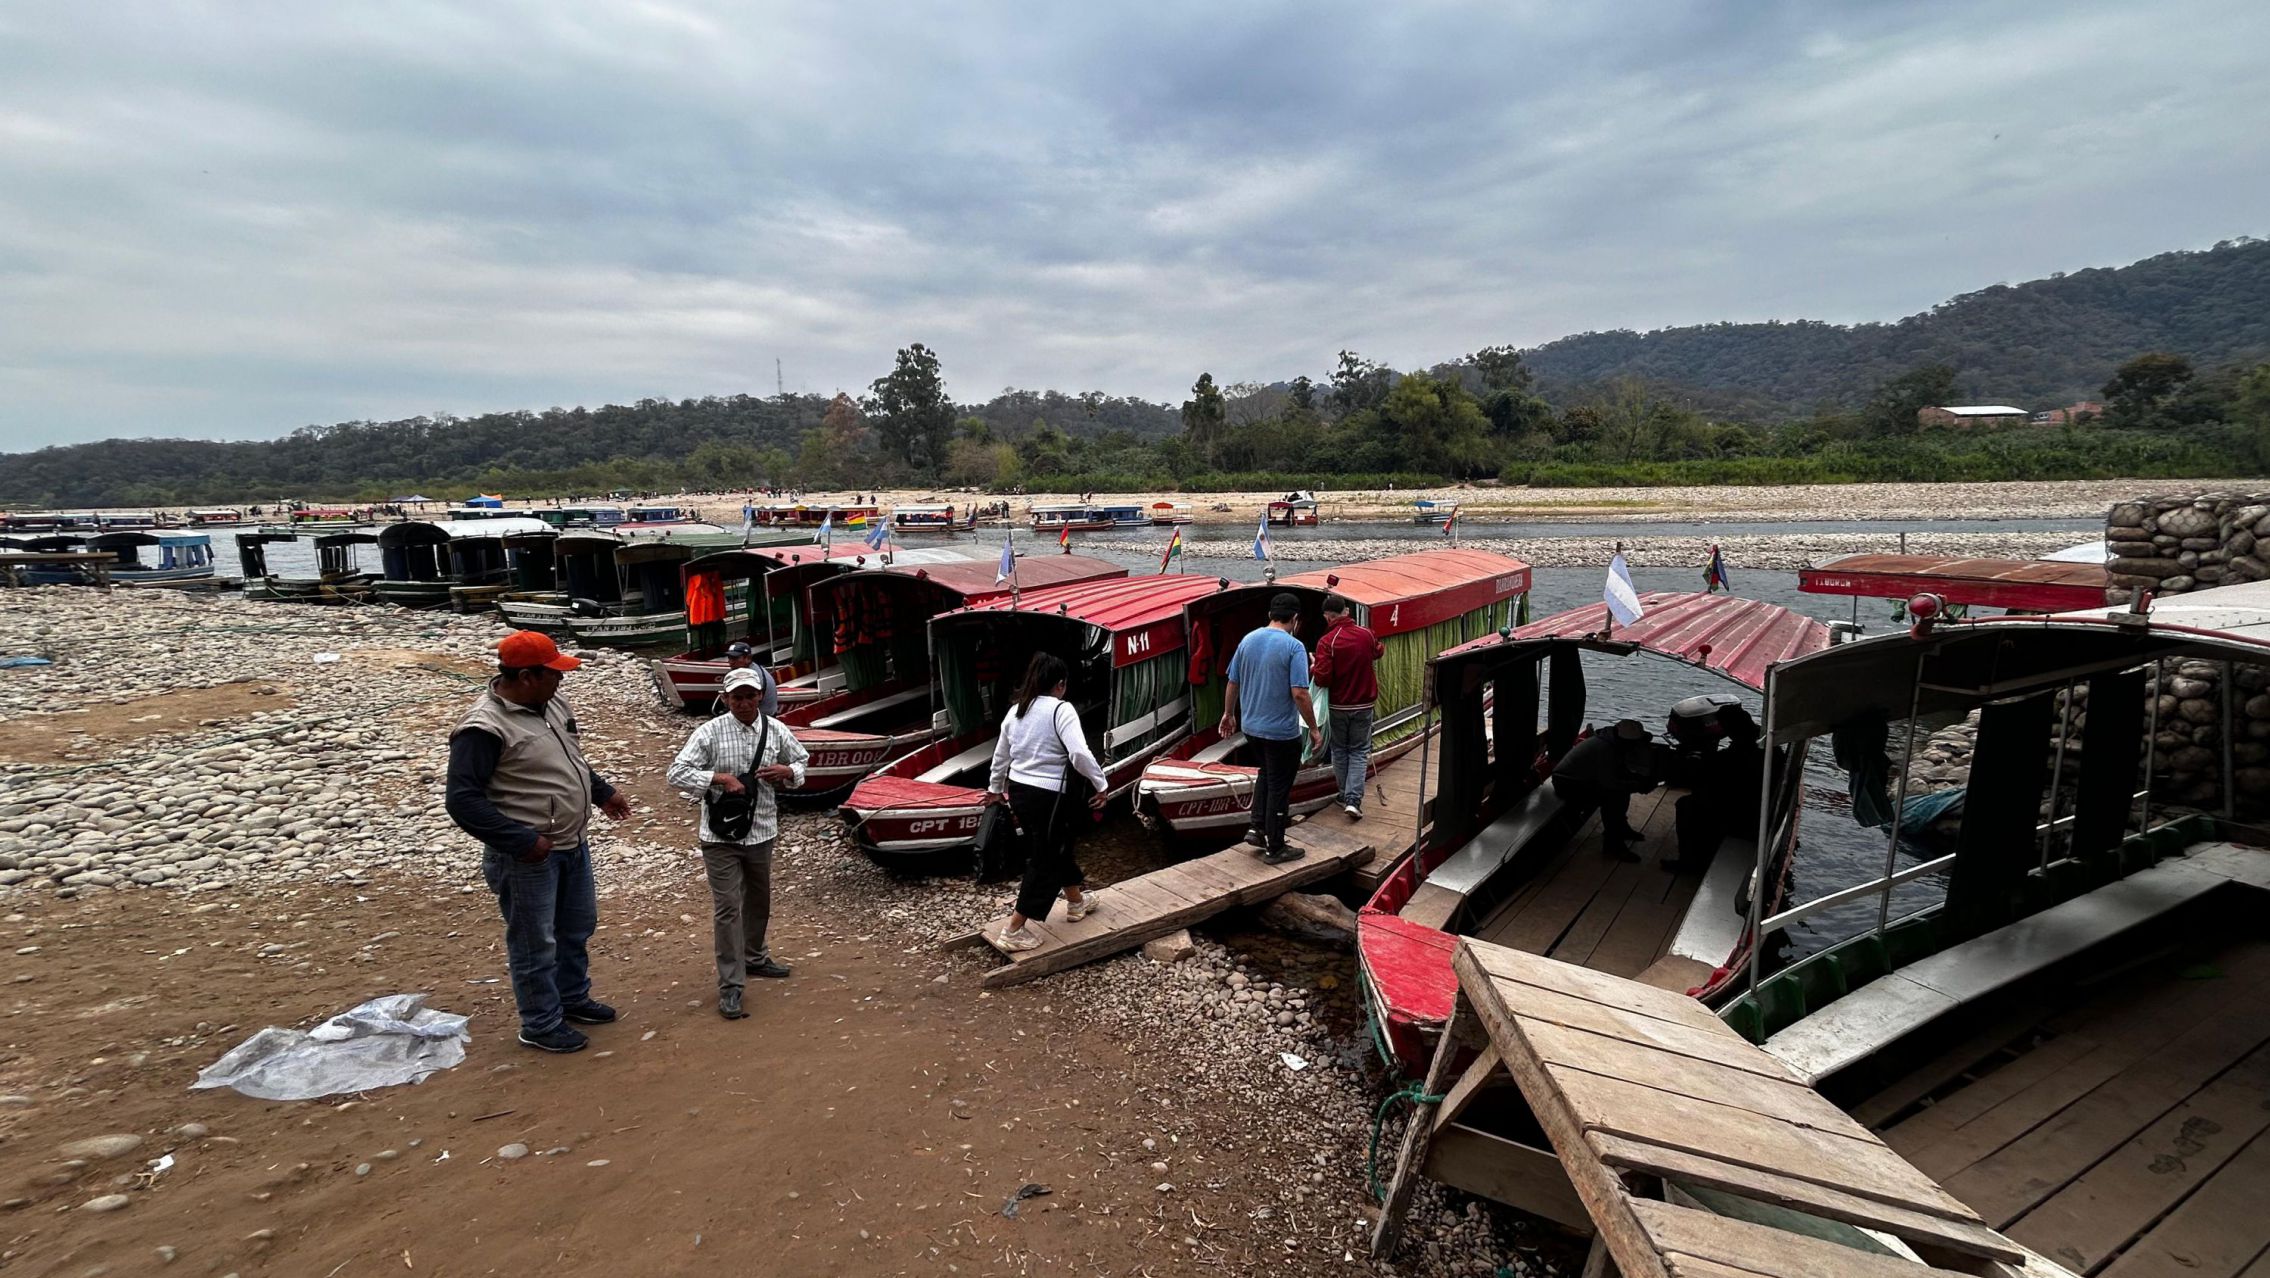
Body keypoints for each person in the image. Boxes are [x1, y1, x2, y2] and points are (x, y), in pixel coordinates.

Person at [446, 630, 633, 1053]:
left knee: (576, 928)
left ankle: (572, 998)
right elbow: (461, 800)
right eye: (553, 674)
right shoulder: (483, 728)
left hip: (571, 842)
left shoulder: (549, 703)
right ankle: (541, 1023)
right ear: (527, 676)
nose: (561, 681)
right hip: (529, 857)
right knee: (535, 942)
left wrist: (601, 792)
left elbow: (571, 759)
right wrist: (520, 840)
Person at [666, 668, 810, 1019]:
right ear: (726, 699)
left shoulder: (776, 730)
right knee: (728, 908)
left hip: (762, 829)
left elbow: (802, 760)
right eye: (736, 697)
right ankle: (731, 985)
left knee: (759, 900)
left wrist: (788, 773)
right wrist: (719, 777)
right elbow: (676, 773)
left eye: (749, 696)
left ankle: (756, 957)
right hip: (718, 837)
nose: (744, 703)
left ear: (760, 696)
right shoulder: (709, 732)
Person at [987, 653, 1109, 952]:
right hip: (1050, 796)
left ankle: (1077, 902)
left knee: (1055, 846)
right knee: (1046, 858)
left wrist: (993, 788)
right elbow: (1079, 754)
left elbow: (1001, 756)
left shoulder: (1015, 712)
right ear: (1060, 684)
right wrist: (1101, 783)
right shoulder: (1062, 710)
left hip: (1019, 792)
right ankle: (1015, 929)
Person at [1221, 593, 1322, 863]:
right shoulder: (1294, 647)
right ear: (1296, 619)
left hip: (1251, 728)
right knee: (1280, 787)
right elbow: (1300, 692)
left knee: (1266, 774)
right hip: (1281, 732)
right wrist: (1313, 728)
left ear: (1270, 615)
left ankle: (1256, 828)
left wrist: (1228, 714)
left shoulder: (1248, 640)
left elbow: (1233, 681)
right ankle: (1275, 847)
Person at [1308, 593, 1383, 820]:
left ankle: (1344, 795)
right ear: (1347, 612)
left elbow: (1322, 679)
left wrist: (1313, 666)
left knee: (1340, 751)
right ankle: (1354, 801)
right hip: (1364, 704)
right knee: (1359, 752)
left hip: (1338, 706)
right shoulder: (1366, 634)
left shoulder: (1326, 642)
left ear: (1327, 617)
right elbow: (1378, 651)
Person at [1670, 707, 1764, 872]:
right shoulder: (1756, 737)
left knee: (1686, 806)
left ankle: (1688, 861)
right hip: (1749, 798)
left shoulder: (1746, 745)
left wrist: (1702, 760)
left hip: (1745, 807)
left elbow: (1729, 768)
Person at [1550, 719, 1657, 860]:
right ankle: (1613, 844)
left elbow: (1617, 771)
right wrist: (1638, 785)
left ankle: (1621, 828)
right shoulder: (1605, 749)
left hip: (1582, 778)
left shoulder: (1611, 742)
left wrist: (1636, 780)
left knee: (1620, 790)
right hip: (1567, 783)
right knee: (1612, 797)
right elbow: (1609, 783)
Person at [722, 641, 780, 714]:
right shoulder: (752, 668)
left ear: (748, 658)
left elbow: (746, 703)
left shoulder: (753, 676)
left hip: (763, 716)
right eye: (729, 658)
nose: (730, 662)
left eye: (735, 658)